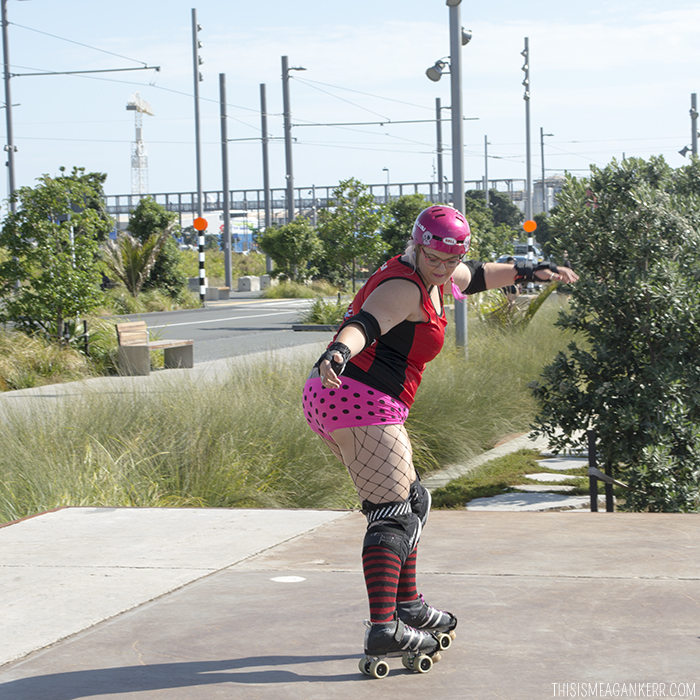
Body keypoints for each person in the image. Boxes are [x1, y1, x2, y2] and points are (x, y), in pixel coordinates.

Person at [302, 204, 579, 676]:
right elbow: (367, 324)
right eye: (436, 256)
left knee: (413, 500)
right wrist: (338, 351)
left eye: (452, 258)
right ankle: (384, 625)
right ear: (418, 245)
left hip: (356, 399)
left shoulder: (438, 275)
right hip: (356, 395)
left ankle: (407, 603)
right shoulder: (403, 286)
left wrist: (533, 269)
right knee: (391, 515)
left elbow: (477, 275)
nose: (445, 266)